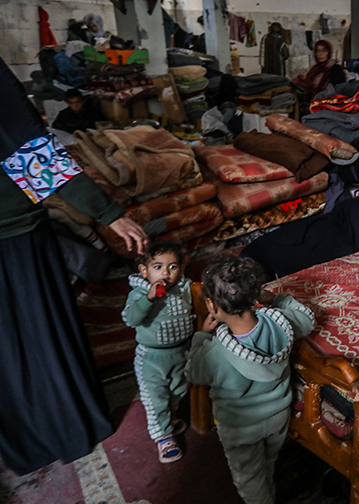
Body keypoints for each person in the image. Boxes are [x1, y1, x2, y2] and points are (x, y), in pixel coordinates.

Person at [0, 55, 147, 475]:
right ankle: (65, 428)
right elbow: (27, 148)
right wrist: (107, 212)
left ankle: (26, 443)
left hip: (13, 230)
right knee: (40, 334)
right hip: (14, 238)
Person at [186, 255, 315, 504]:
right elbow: (307, 318)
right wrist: (276, 299)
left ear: (212, 306)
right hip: (278, 417)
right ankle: (269, 486)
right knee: (269, 460)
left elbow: (192, 372)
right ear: (254, 296)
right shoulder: (282, 323)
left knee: (249, 478)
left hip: (240, 428)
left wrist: (201, 337)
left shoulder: (214, 353)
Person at [122, 241, 196, 463]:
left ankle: (169, 419)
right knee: (156, 399)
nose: (165, 273)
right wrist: (149, 299)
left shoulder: (184, 288)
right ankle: (163, 436)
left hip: (181, 352)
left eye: (172, 267)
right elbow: (131, 319)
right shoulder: (139, 293)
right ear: (144, 270)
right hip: (152, 358)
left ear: (181, 268)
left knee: (178, 391)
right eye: (158, 267)